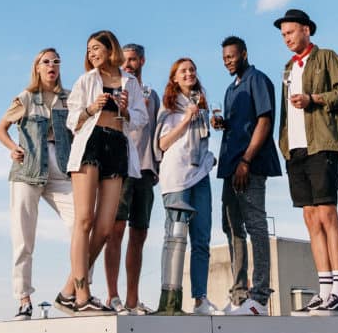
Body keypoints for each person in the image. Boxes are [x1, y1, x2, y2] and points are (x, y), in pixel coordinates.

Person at [54, 30, 148, 315]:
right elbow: (72, 121)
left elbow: (141, 119)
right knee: (84, 220)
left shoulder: (129, 82)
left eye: (97, 48)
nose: (92, 53)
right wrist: (89, 108)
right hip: (91, 143)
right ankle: (82, 296)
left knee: (105, 228)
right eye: (88, 49)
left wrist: (126, 110)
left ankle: (67, 291)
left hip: (118, 145)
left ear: (111, 49)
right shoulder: (86, 80)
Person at [274, 9, 338, 316]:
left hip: (322, 144)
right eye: (283, 35)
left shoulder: (327, 57)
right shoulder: (287, 68)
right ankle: (324, 292)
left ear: (307, 30)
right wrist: (283, 144)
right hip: (295, 150)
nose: (287, 39)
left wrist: (314, 99)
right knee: (310, 217)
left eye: (291, 32)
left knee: (327, 213)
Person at [0, 48, 75, 320]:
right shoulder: (26, 98)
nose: (52, 65)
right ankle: (24, 299)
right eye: (46, 62)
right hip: (28, 170)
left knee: (82, 227)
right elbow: (1, 128)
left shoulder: (69, 98)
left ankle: (73, 290)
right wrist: (11, 148)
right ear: (37, 67)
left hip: (61, 170)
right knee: (23, 238)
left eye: (56, 61)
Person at [213, 36, 282, 316]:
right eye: (224, 58)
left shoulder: (258, 80)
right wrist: (223, 124)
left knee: (255, 225)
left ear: (243, 53)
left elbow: (264, 121)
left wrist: (246, 160)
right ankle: (239, 295)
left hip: (249, 166)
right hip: (230, 167)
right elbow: (241, 124)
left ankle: (260, 297)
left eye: (231, 56)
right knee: (231, 228)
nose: (227, 61)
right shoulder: (231, 89)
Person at [153, 58, 219, 316]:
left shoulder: (201, 105)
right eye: (184, 71)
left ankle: (200, 299)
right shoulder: (169, 106)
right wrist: (185, 120)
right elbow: (163, 143)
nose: (190, 73)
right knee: (176, 235)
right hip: (177, 176)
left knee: (201, 238)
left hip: (200, 175)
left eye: (192, 69)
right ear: (175, 79)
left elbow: (201, 140)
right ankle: (170, 299)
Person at [103, 43, 160, 315]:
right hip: (120, 167)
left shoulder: (151, 94)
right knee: (115, 231)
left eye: (133, 60)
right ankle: (112, 296)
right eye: (124, 60)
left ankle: (132, 300)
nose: (128, 64)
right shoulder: (112, 90)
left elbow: (159, 130)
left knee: (140, 234)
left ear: (142, 61)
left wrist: (156, 165)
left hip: (145, 170)